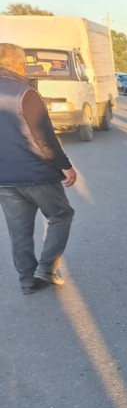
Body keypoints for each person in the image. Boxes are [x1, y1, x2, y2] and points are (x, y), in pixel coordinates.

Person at [0, 43, 77, 294]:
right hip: (36, 173)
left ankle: (27, 280)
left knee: (19, 232)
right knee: (61, 215)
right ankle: (46, 269)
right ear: (17, 64)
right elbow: (44, 137)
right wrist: (65, 166)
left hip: (5, 178)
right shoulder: (25, 92)